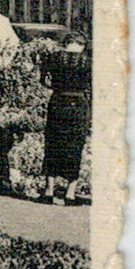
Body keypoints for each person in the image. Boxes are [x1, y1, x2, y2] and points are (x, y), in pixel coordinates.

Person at [41, 31, 92, 204]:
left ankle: (49, 191)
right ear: (82, 45)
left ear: (66, 43)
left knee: (53, 144)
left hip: (58, 102)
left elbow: (44, 81)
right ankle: (70, 194)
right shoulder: (89, 61)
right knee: (75, 145)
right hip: (78, 105)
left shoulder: (53, 58)